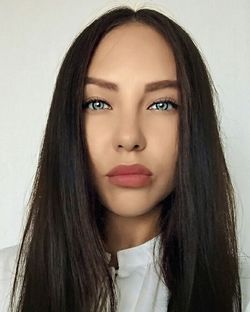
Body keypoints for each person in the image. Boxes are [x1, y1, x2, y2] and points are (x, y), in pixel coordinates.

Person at [0, 5, 249, 312]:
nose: (129, 138)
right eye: (98, 103)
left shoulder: (242, 292)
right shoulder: (6, 282)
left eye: (161, 105)